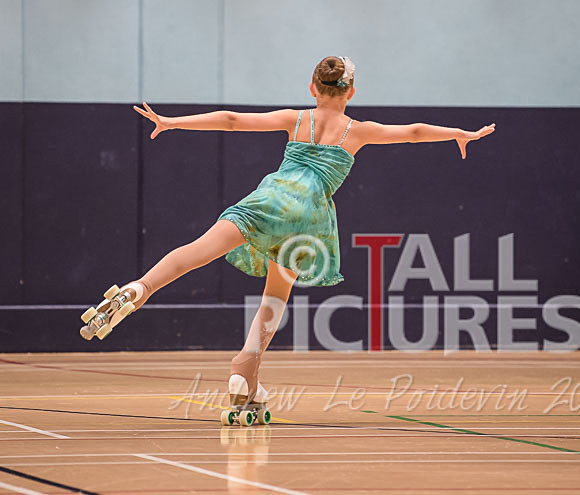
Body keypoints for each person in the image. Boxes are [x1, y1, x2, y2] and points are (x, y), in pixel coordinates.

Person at [78, 56, 495, 419]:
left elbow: (231, 120)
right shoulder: (358, 130)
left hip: (271, 198)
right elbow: (415, 131)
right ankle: (246, 368)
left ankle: (138, 288)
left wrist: (172, 122)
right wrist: (459, 132)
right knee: (275, 295)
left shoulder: (297, 119)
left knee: (194, 253)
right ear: (351, 91)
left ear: (313, 88)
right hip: (309, 217)